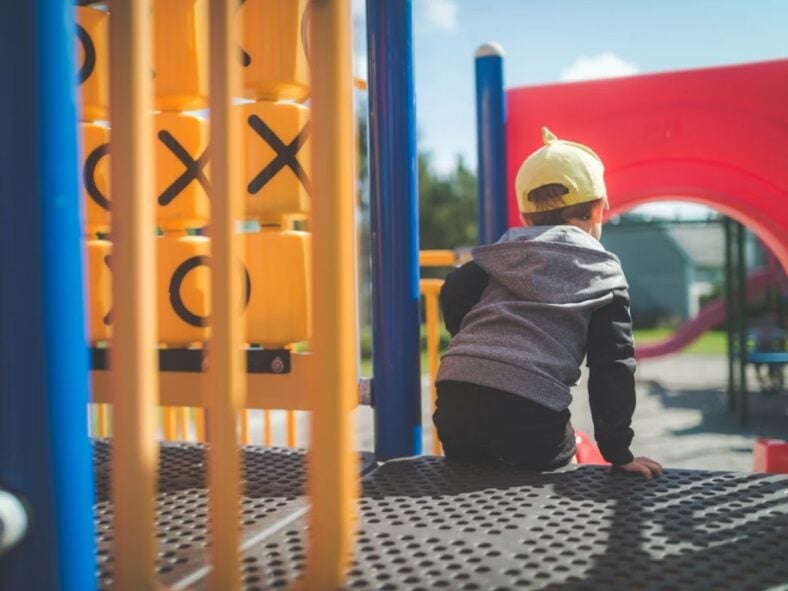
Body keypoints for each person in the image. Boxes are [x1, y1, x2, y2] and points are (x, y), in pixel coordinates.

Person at [434, 127, 662, 479]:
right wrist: (618, 451)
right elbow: (612, 364)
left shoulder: (501, 255)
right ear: (598, 210)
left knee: (476, 465)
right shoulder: (602, 270)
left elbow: (454, 290)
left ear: (525, 217)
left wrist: (476, 341)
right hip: (531, 411)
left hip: (455, 404)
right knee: (565, 456)